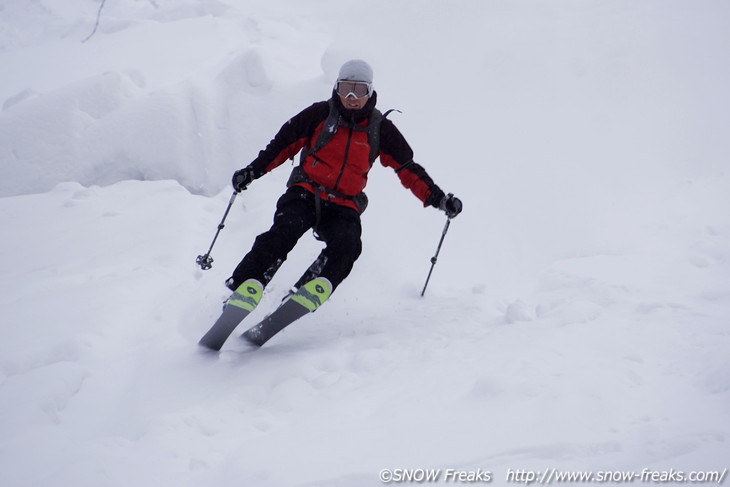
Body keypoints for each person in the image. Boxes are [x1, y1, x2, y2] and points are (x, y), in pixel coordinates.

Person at [227, 59, 462, 303]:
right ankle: (245, 286)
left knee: (348, 246)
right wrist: (252, 172)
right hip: (306, 192)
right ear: (337, 88)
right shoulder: (319, 114)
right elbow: (281, 145)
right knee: (284, 231)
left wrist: (439, 199)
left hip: (344, 204)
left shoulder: (380, 129)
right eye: (345, 88)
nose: (351, 96)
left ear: (370, 92)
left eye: (359, 90)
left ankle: (304, 294)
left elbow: (407, 168)